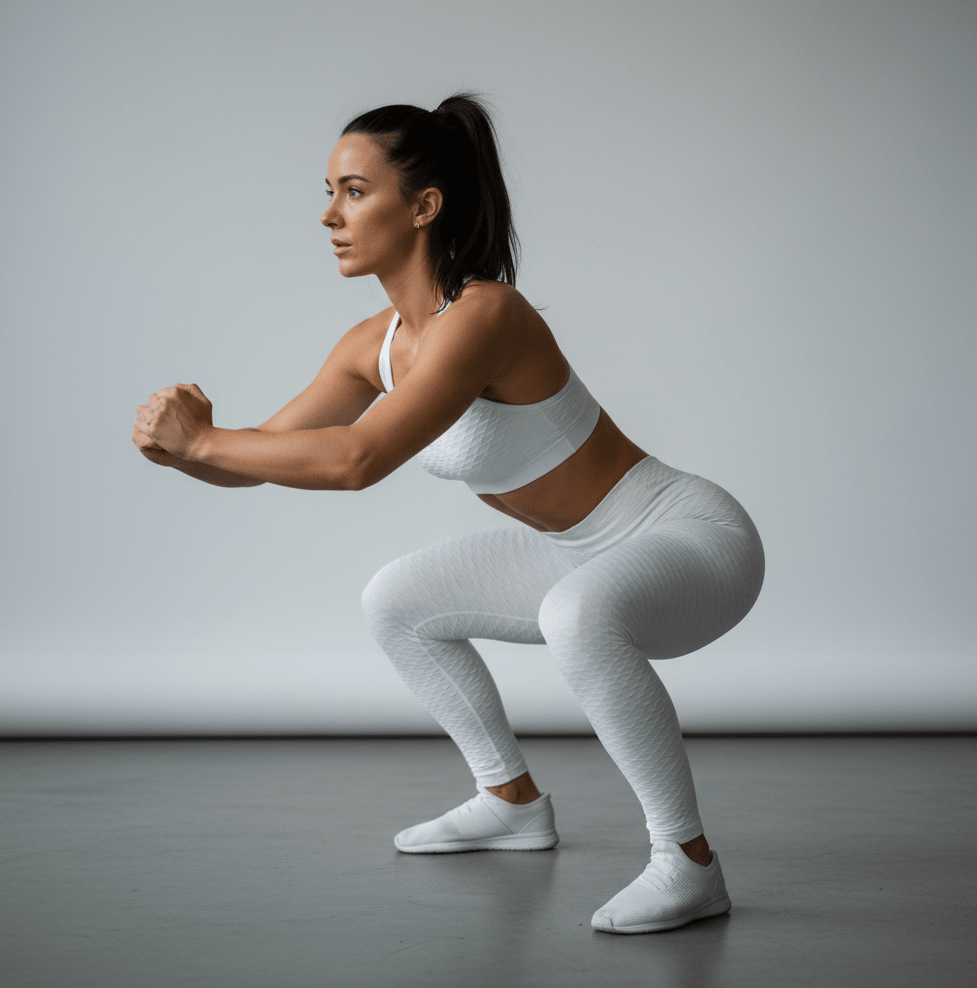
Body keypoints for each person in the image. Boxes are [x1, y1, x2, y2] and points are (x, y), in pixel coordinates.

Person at [133, 93, 765, 935]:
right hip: (577, 551)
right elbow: (264, 459)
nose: (329, 215)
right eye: (329, 192)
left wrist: (206, 441)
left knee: (574, 614)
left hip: (690, 538)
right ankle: (511, 802)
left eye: (355, 191)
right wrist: (182, 452)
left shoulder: (486, 315)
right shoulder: (371, 346)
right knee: (396, 599)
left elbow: (355, 461)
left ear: (423, 206)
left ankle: (689, 864)